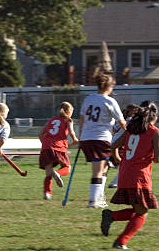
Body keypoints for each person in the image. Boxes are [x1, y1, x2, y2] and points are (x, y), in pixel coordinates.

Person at [101, 102, 159, 249]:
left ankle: (113, 219)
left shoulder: (132, 130)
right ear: (154, 117)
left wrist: (118, 158)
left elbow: (113, 146)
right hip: (139, 176)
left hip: (124, 173)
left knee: (138, 209)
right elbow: (157, 159)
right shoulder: (155, 132)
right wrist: (155, 154)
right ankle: (120, 241)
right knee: (142, 212)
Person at [78, 74, 126, 208]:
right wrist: (130, 132)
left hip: (87, 138)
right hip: (100, 138)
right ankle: (93, 200)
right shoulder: (110, 101)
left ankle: (99, 197)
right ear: (109, 87)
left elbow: (82, 119)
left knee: (104, 166)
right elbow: (122, 122)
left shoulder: (89, 99)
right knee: (98, 170)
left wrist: (81, 137)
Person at [38, 102, 78, 200]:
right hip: (59, 147)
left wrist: (45, 144)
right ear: (69, 112)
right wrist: (75, 140)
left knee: (48, 172)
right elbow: (71, 132)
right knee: (67, 168)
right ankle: (58, 173)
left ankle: (47, 193)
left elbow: (40, 134)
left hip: (46, 147)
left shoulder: (51, 120)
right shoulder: (68, 120)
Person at [107, 103, 140, 188]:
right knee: (125, 165)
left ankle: (112, 167)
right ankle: (115, 181)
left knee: (123, 164)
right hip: (118, 145)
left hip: (115, 143)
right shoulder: (130, 121)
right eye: (135, 111)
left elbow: (114, 129)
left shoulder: (122, 120)